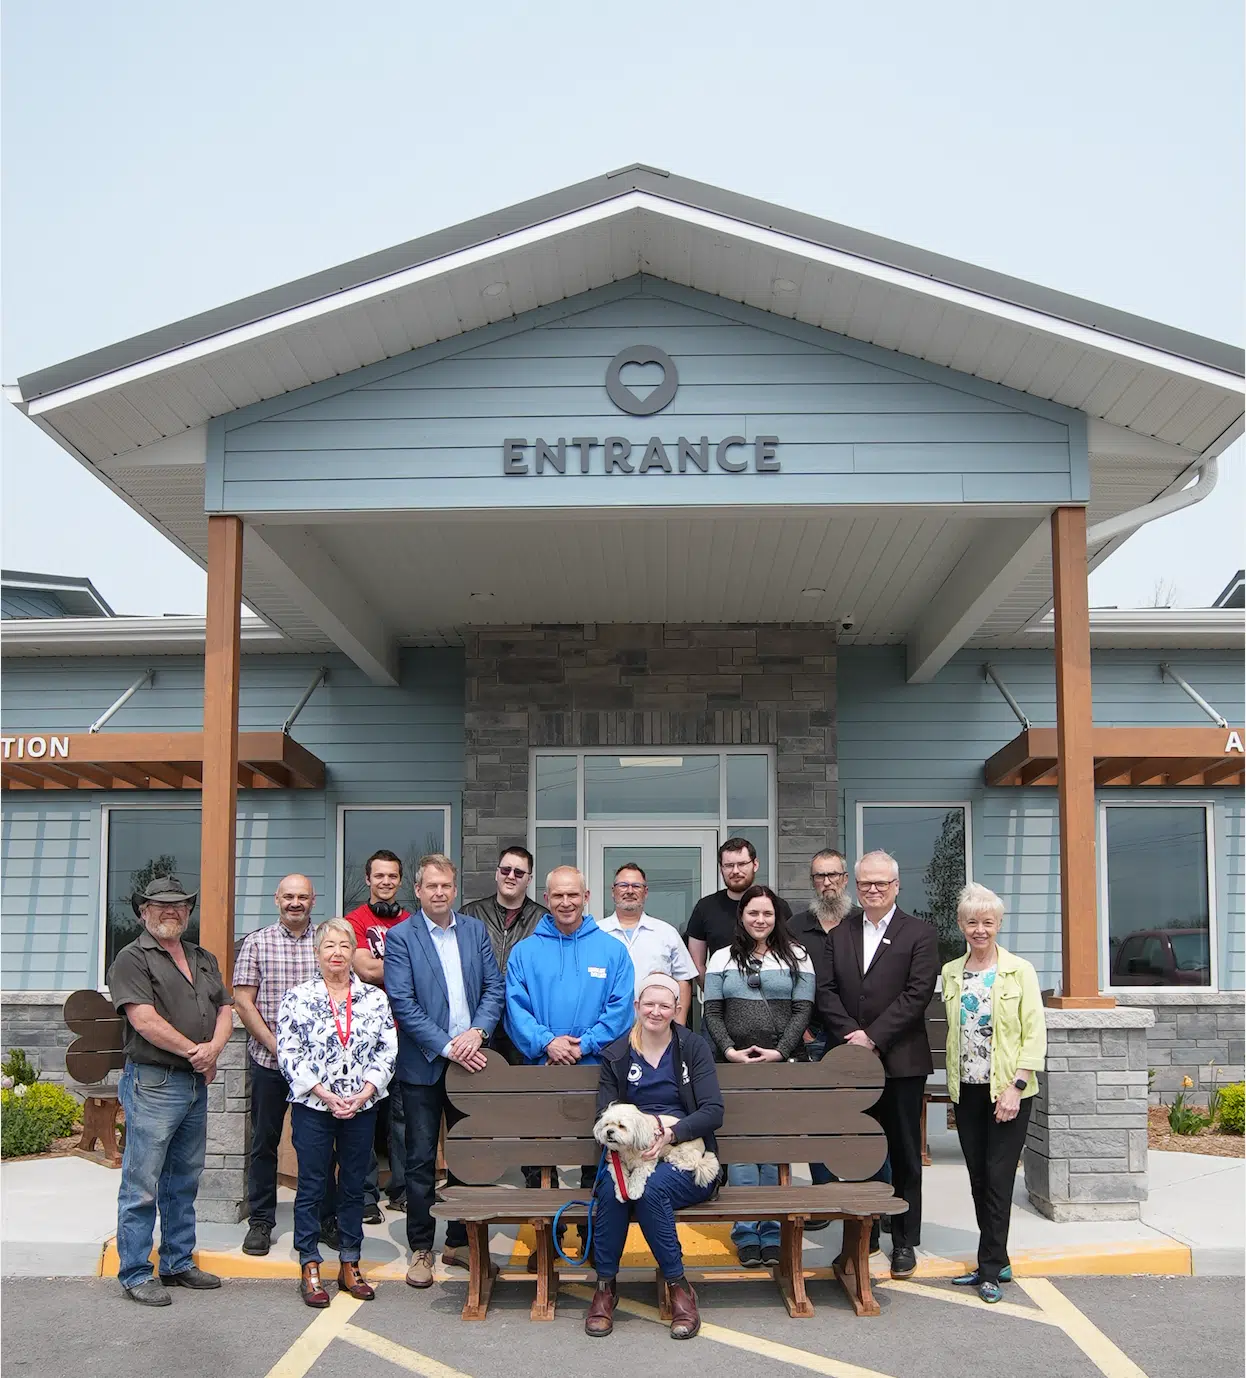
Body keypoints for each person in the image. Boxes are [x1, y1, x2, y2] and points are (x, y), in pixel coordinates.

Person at [107, 875, 233, 1306]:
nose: (171, 911)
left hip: (195, 1081)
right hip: (154, 1082)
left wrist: (213, 1050)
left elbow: (224, 1009)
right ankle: (136, 1271)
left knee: (183, 1179)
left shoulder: (202, 957)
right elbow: (143, 1019)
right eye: (161, 905)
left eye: (179, 906)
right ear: (143, 911)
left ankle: (177, 1262)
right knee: (142, 1182)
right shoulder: (132, 957)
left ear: (188, 912)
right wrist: (195, 1053)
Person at [813, 850, 938, 1280]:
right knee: (857, 1153)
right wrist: (852, 1036)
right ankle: (861, 1240)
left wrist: (874, 1037)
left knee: (903, 1152)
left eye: (881, 883)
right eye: (865, 882)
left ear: (896, 886)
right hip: (849, 1061)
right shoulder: (840, 933)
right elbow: (825, 990)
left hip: (900, 1061)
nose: (872, 889)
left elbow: (917, 993)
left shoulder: (919, 933)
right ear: (856, 884)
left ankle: (904, 1240)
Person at [383, 853, 505, 1290]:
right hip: (425, 1066)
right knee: (418, 1161)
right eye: (431, 886)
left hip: (471, 1065)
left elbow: (494, 988)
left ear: (455, 889)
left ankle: (459, 1242)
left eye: (446, 886)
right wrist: (449, 1045)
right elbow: (403, 1003)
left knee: (466, 1159)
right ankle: (422, 1247)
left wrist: (478, 1030)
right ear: (417, 890)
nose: (439, 893)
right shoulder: (401, 938)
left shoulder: (474, 931)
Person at [505, 864, 634, 1262]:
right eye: (558, 895)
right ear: (547, 899)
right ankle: (548, 1240)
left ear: (587, 897)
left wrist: (585, 1044)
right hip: (540, 1072)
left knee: (594, 1160)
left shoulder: (612, 950)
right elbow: (515, 1008)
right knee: (539, 1161)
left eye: (573, 895)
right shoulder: (525, 951)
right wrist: (547, 1043)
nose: (566, 902)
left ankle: (592, 1236)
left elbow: (620, 1008)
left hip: (596, 1072)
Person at [585, 973, 724, 1341]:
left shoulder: (693, 1048)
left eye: (665, 1005)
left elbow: (713, 1111)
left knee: (649, 1191)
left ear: (678, 1010)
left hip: (684, 1154)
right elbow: (604, 1115)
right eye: (649, 1004)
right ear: (636, 1007)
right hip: (628, 1152)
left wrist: (671, 1133)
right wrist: (635, 1142)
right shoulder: (616, 1054)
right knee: (614, 1194)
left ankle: (679, 1287)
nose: (656, 1011)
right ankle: (605, 1286)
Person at [277, 918, 397, 1309]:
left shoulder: (374, 999)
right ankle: (310, 1263)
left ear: (353, 953)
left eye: (344, 946)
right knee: (312, 1184)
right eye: (329, 946)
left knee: (353, 1187)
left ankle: (350, 1261)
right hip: (315, 1105)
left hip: (361, 1107)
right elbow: (289, 1052)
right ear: (317, 953)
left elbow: (387, 1050)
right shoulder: (297, 997)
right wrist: (325, 1094)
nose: (337, 953)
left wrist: (365, 1092)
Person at [941, 883, 1046, 1304]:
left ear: (999, 924)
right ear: (961, 925)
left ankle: (988, 1270)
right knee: (979, 1178)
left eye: (987, 922)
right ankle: (996, 1256)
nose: (979, 930)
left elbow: (1034, 1034)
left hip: (1008, 1091)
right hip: (966, 1089)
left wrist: (1016, 1087)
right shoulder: (951, 971)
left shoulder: (1020, 970)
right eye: (972, 922)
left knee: (999, 1178)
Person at [702, 884, 815, 1267]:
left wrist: (780, 1051)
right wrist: (731, 1051)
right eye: (753, 913)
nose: (760, 920)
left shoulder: (798, 956)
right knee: (743, 1154)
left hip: (781, 1067)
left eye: (767, 914)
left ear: (776, 917)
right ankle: (747, 1231)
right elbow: (711, 1012)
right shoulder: (720, 959)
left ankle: (773, 1231)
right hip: (735, 1069)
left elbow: (803, 1010)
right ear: (742, 916)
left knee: (774, 1151)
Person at [232, 873, 319, 1257]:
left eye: (302, 897)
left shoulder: (326, 941)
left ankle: (322, 1218)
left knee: (317, 1145)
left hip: (318, 1067)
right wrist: (278, 1047)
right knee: (264, 1142)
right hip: (269, 1061)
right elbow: (243, 1001)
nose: (295, 903)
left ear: (312, 901)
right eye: (289, 897)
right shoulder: (257, 942)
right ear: (277, 900)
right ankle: (261, 1221)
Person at [345, 848, 411, 1219]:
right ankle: (365, 1195)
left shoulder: (412, 920)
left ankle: (400, 1189)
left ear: (400, 881)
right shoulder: (353, 921)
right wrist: (406, 966)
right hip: (363, 1034)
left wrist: (389, 966)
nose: (385, 882)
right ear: (368, 879)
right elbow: (366, 971)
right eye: (379, 876)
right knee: (365, 1114)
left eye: (392, 876)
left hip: (404, 1032)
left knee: (401, 1117)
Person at [789, 849, 854, 1209]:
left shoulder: (862, 923)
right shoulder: (795, 928)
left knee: (859, 1114)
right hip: (810, 1036)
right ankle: (824, 1194)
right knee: (815, 1118)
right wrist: (803, 1034)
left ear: (845, 879)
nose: (826, 882)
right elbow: (785, 984)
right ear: (812, 882)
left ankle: (862, 1192)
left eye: (833, 875)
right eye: (819, 876)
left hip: (855, 1037)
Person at [460, 845, 545, 1060]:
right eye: (506, 870)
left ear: (529, 878)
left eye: (519, 872)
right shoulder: (470, 915)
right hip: (475, 1023)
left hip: (524, 1024)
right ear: (496, 873)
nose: (511, 876)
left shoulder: (544, 921)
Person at [597, 862, 698, 1024]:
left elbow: (683, 980)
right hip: (605, 1030)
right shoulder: (597, 932)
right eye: (623, 885)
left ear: (646, 892)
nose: (629, 891)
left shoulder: (666, 933)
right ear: (613, 891)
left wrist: (679, 1027)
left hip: (657, 1030)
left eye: (636, 886)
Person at [686, 838, 793, 981]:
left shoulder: (777, 906)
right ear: (721, 868)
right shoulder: (705, 907)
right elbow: (696, 963)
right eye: (729, 865)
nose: (735, 871)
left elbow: (790, 954)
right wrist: (715, 994)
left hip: (772, 995)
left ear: (755, 864)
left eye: (742, 864)